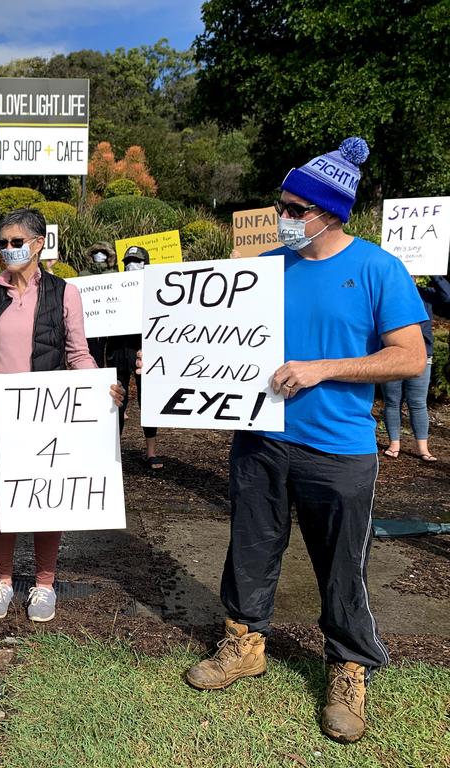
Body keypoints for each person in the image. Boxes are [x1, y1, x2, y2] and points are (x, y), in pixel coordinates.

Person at [177, 138, 427, 744]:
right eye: (281, 205)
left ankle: (348, 668)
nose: (282, 216)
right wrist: (173, 361)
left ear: (326, 213)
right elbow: (213, 334)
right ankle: (244, 643)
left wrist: (323, 367)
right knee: (250, 548)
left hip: (338, 448)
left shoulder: (377, 268)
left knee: (343, 563)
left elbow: (410, 357)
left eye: (293, 207)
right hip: (259, 439)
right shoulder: (262, 269)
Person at [0, 208, 124, 623]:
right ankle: (4, 581)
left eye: (17, 242)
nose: (8, 249)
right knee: (3, 499)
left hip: (47, 417)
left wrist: (104, 387)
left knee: (48, 498)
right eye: (3, 242)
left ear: (39, 243)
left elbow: (77, 353)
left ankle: (44, 583)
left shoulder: (65, 293)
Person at [104, 245, 162, 470]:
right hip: (118, 350)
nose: (132, 266)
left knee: (148, 400)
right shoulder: (114, 288)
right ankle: (113, 452)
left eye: (137, 261)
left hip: (143, 351)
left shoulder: (156, 290)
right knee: (117, 400)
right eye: (128, 261)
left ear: (146, 264)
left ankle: (151, 452)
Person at [381, 275, 450, 462]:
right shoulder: (386, 294)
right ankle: (394, 444)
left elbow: (447, 296)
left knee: (418, 402)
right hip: (390, 356)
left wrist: (434, 272)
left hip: (422, 355)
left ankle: (423, 448)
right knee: (392, 401)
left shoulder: (424, 294)